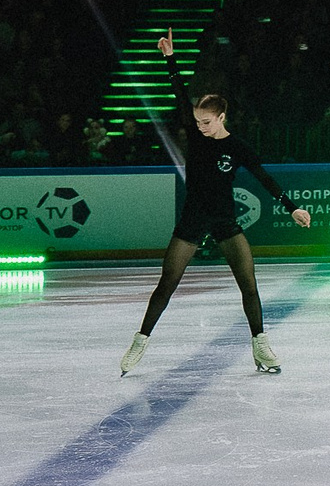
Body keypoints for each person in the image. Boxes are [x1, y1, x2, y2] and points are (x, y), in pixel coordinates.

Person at [118, 31, 312, 377]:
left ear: (222, 117)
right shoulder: (195, 134)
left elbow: (265, 178)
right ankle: (140, 340)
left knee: (249, 285)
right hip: (193, 217)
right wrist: (170, 59)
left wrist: (292, 206)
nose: (200, 127)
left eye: (206, 122)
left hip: (225, 219)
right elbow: (180, 97)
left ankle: (260, 345)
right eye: (197, 122)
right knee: (167, 283)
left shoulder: (237, 147)